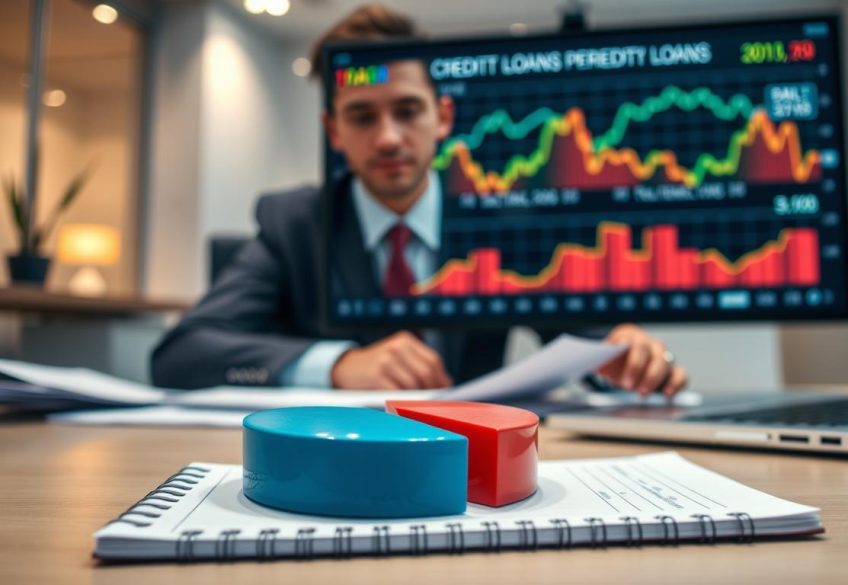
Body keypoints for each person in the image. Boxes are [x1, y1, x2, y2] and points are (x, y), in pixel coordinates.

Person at [150, 4, 688, 398]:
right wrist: (338, 365)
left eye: (407, 110)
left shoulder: (502, 223)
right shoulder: (294, 223)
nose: (387, 138)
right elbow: (181, 355)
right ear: (332, 131)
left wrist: (624, 353)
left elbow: (588, 340)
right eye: (362, 116)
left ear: (444, 118)